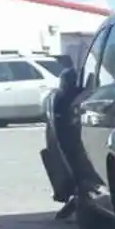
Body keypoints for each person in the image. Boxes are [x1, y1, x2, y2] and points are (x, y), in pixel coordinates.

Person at [40, 64, 82, 219]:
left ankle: (75, 200)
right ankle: (75, 199)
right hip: (72, 144)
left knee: (77, 174)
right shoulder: (63, 100)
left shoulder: (63, 100)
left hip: (74, 145)